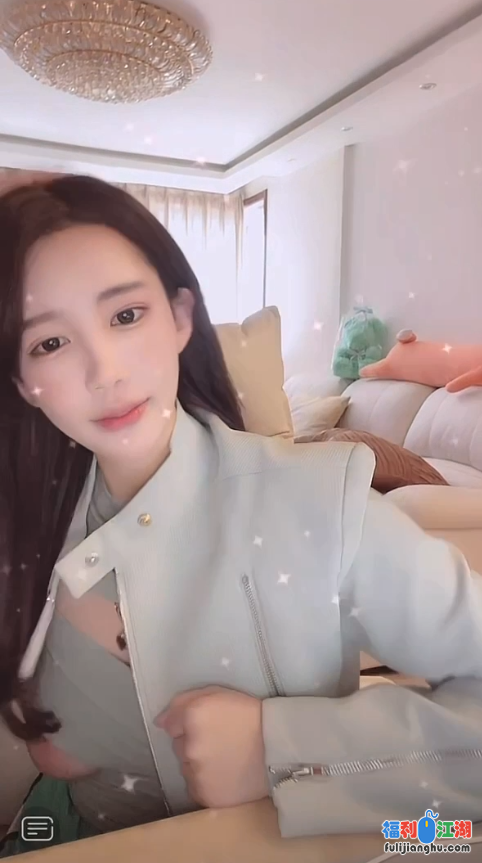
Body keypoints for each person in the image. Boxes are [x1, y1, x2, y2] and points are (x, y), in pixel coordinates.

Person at [1, 175, 482, 857]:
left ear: (180, 317)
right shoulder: (27, 518)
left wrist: (280, 747)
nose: (104, 370)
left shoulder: (321, 501)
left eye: (126, 315)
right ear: (23, 380)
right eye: (50, 343)